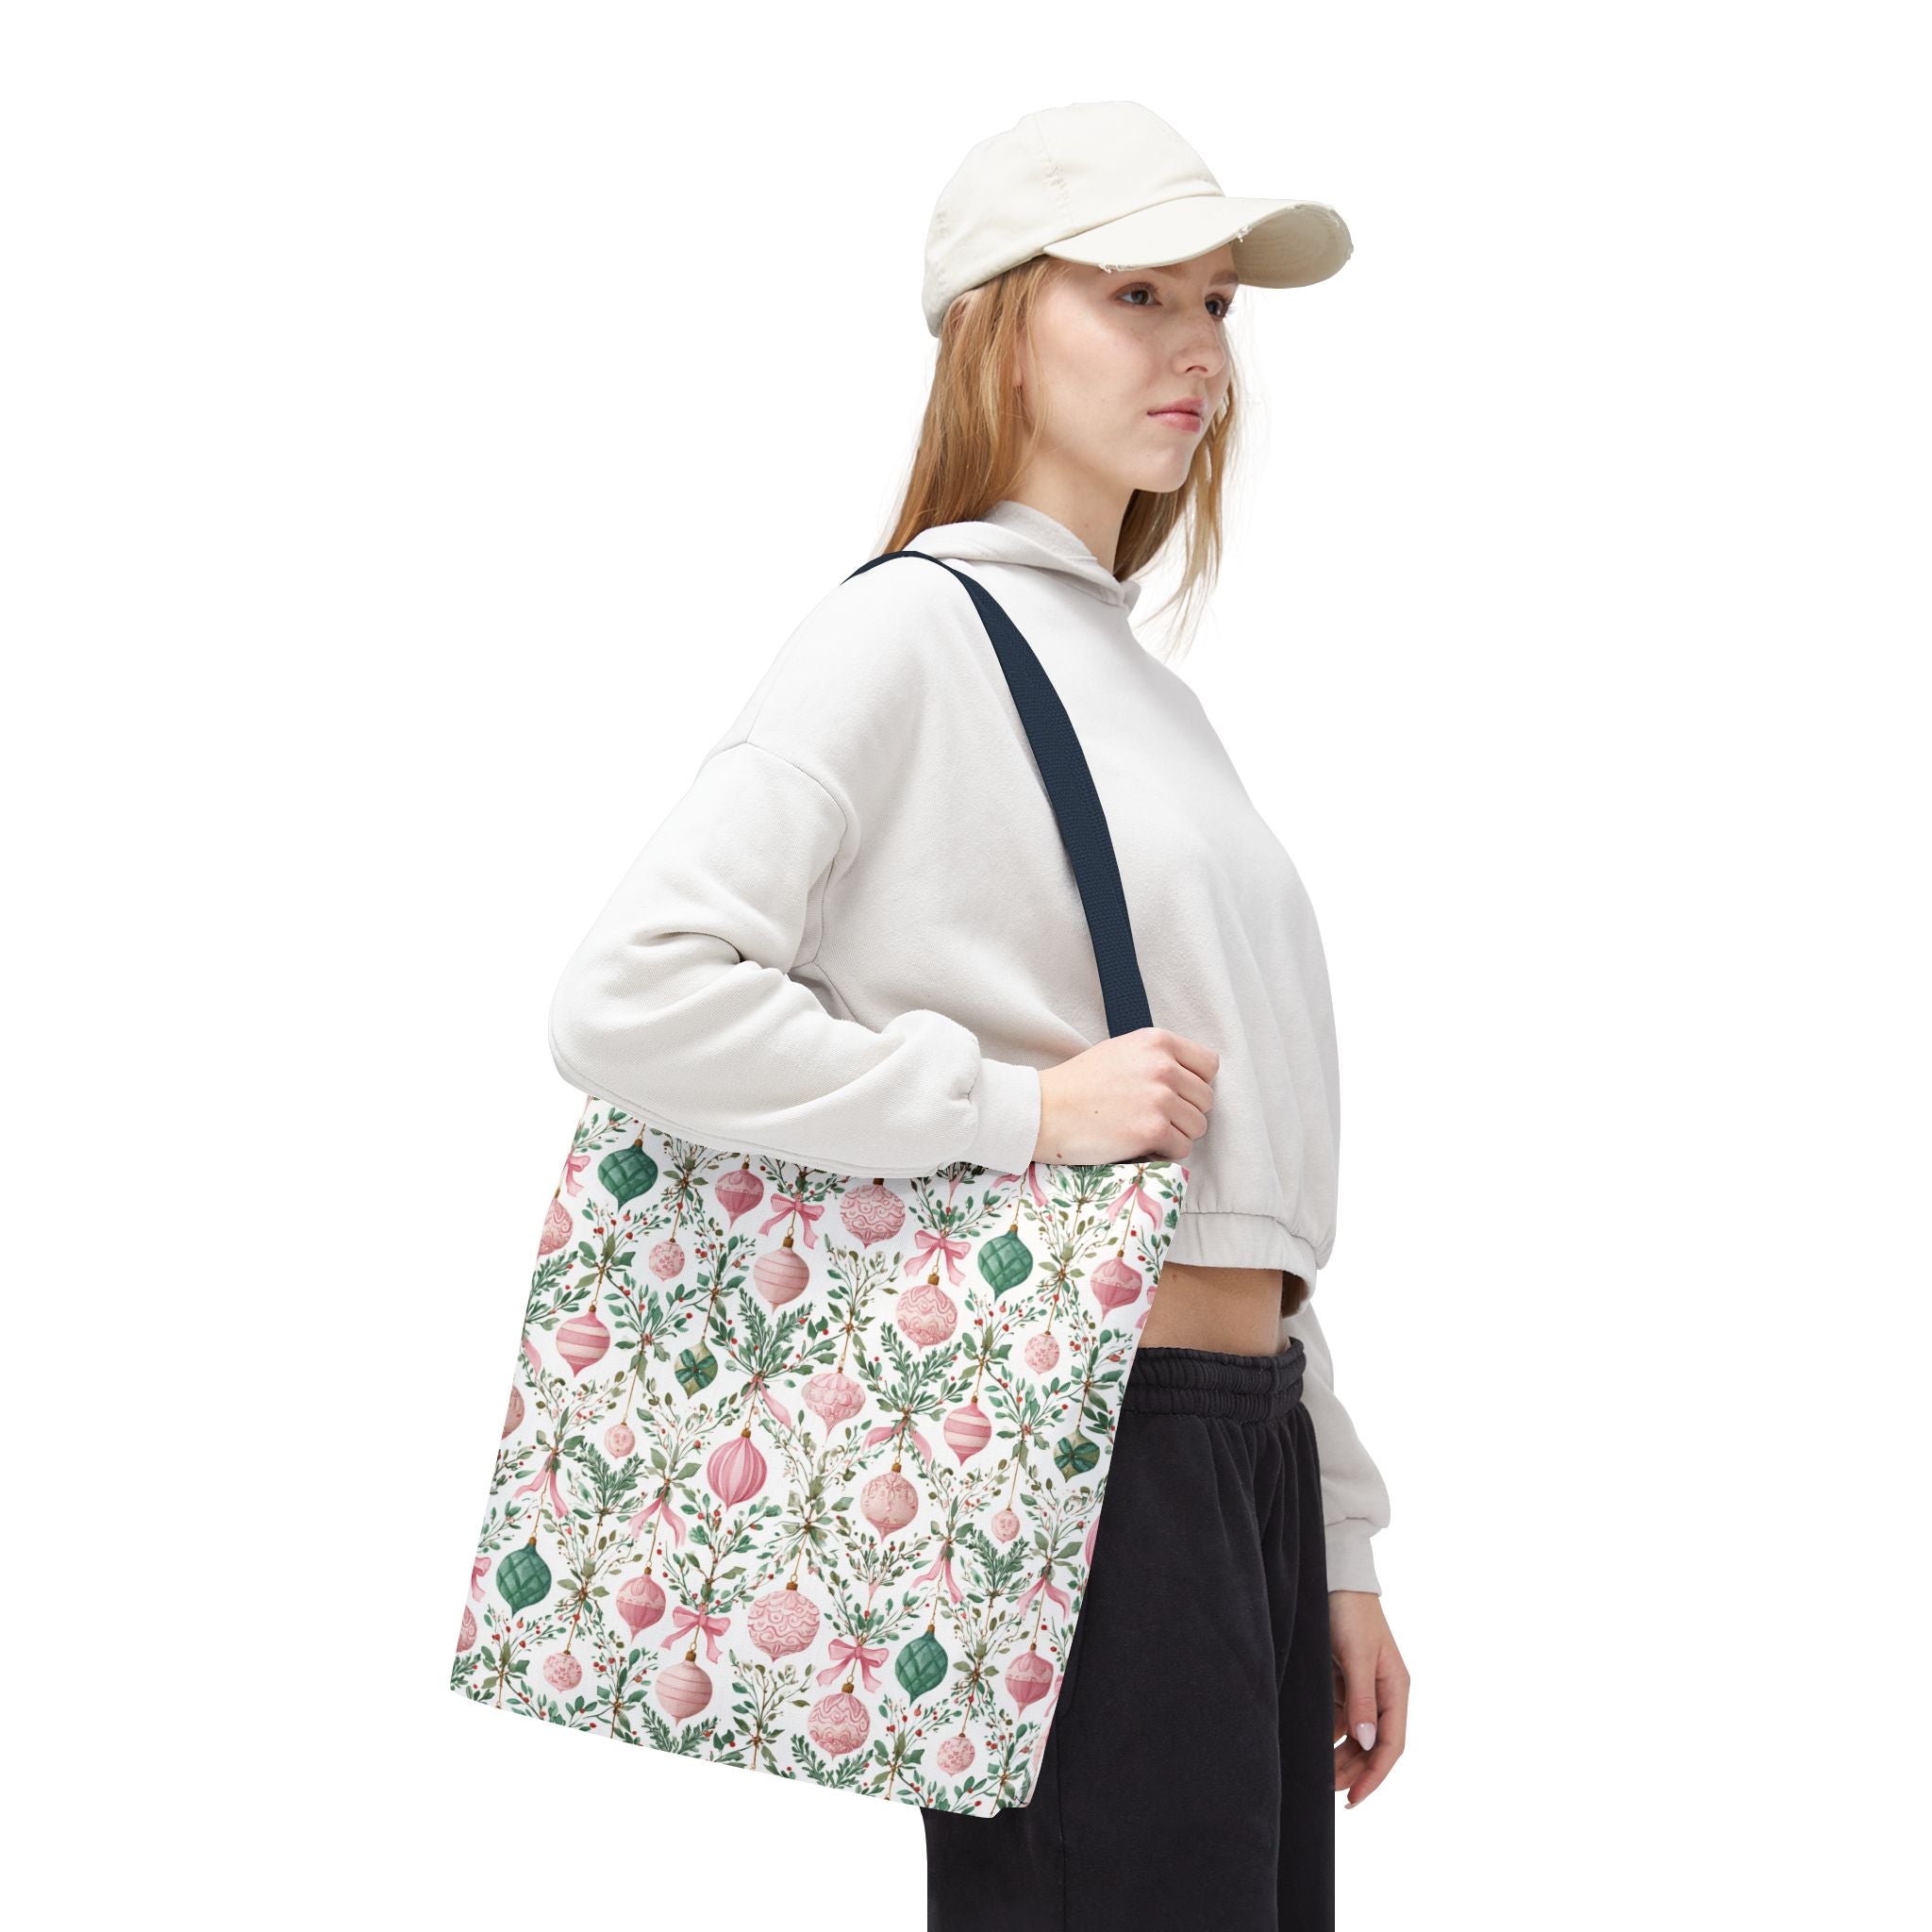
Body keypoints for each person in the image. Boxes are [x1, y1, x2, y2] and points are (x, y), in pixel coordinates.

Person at [546, 100, 1408, 1930]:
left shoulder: (1148, 694)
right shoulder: (906, 635)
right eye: (1136, 295)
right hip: (1085, 1445)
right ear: (1000, 330)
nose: (1198, 346)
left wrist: (1333, 1533)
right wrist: (1020, 1110)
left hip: (1232, 1444)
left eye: (1217, 303)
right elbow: (630, 996)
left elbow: (1234, 1171)